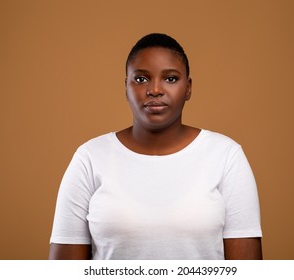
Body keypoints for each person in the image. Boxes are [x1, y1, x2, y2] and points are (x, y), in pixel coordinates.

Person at [49, 33, 263, 260]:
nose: (155, 90)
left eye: (170, 79)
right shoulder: (89, 158)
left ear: (188, 88)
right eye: (141, 79)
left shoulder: (226, 156)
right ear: (126, 87)